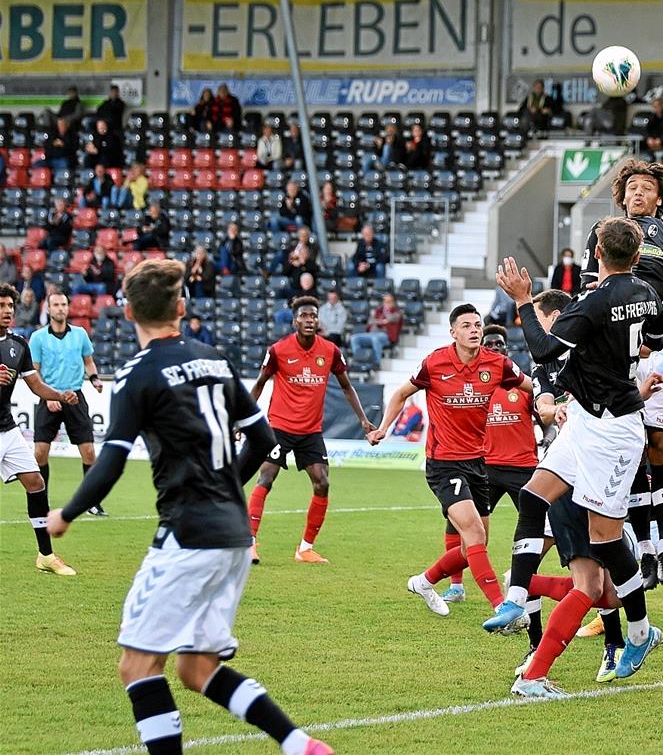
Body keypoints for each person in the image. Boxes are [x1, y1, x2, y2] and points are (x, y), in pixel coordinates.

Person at [44, 260, 334, 755]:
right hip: (235, 536)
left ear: (129, 311)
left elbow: (111, 461)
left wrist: (66, 513)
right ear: (181, 308)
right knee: (197, 668)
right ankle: (297, 742)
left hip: (187, 534)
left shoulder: (137, 373)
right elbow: (263, 438)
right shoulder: (216, 360)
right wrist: (226, 489)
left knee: (137, 665)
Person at [490, 218, 663, 697]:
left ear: (594, 253)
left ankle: (638, 633)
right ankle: (515, 597)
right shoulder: (648, 291)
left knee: (604, 541)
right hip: (587, 418)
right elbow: (656, 333)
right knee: (533, 496)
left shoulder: (592, 301)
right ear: (635, 256)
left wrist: (524, 301)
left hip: (614, 430)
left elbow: (545, 350)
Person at [581, 160, 663, 590]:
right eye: (632, 187)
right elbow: (587, 285)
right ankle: (644, 549)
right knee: (632, 447)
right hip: (612, 344)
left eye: (646, 188)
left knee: (659, 444)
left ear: (659, 196)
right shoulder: (604, 232)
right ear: (622, 195)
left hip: (659, 345)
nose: (638, 193)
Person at [367, 304, 528, 619]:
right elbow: (401, 394)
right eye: (466, 325)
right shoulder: (434, 363)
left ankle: (424, 582)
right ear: (453, 332)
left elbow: (531, 388)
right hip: (443, 463)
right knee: (474, 533)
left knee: (471, 550)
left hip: (479, 464)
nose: (474, 330)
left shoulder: (498, 364)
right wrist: (383, 428)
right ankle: (501, 607)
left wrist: (555, 402)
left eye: (477, 325)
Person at [246, 296, 375, 565]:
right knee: (266, 479)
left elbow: (346, 386)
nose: (309, 320)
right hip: (279, 426)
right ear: (295, 320)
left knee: (322, 483)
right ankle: (249, 543)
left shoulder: (330, 351)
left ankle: (305, 549)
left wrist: (363, 420)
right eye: (304, 316)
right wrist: (243, 418)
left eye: (313, 316)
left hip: (310, 431)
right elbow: (259, 384)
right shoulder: (278, 350)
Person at [438, 325, 538, 606]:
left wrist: (551, 437)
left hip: (524, 468)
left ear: (507, 349)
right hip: (484, 468)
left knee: (539, 527)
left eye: (499, 344)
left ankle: (520, 579)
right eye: (489, 343)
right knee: (459, 527)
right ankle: (456, 586)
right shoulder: (473, 385)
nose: (494, 347)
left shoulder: (521, 385)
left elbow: (546, 417)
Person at [0, 283, 80, 576]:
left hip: (8, 430)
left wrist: (60, 395)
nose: (7, 311)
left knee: (35, 482)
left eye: (10, 306)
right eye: (1, 306)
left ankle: (46, 555)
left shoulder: (19, 345)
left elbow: (35, 385)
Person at [29, 292, 104, 511]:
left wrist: (95, 379)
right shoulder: (38, 337)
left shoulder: (80, 334)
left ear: (67, 308)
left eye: (63, 304)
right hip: (49, 397)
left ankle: (93, 502)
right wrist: (47, 396)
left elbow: (88, 362)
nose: (60, 308)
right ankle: (41, 500)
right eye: (56, 305)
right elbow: (35, 372)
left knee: (89, 451)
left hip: (75, 397)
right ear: (49, 309)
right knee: (40, 452)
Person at [642, 98, 663, 166]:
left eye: (657, 106)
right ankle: (650, 162)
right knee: (643, 144)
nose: (656, 108)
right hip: (653, 139)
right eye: (654, 107)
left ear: (661, 106)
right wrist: (649, 138)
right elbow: (646, 130)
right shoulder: (651, 117)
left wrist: (660, 139)